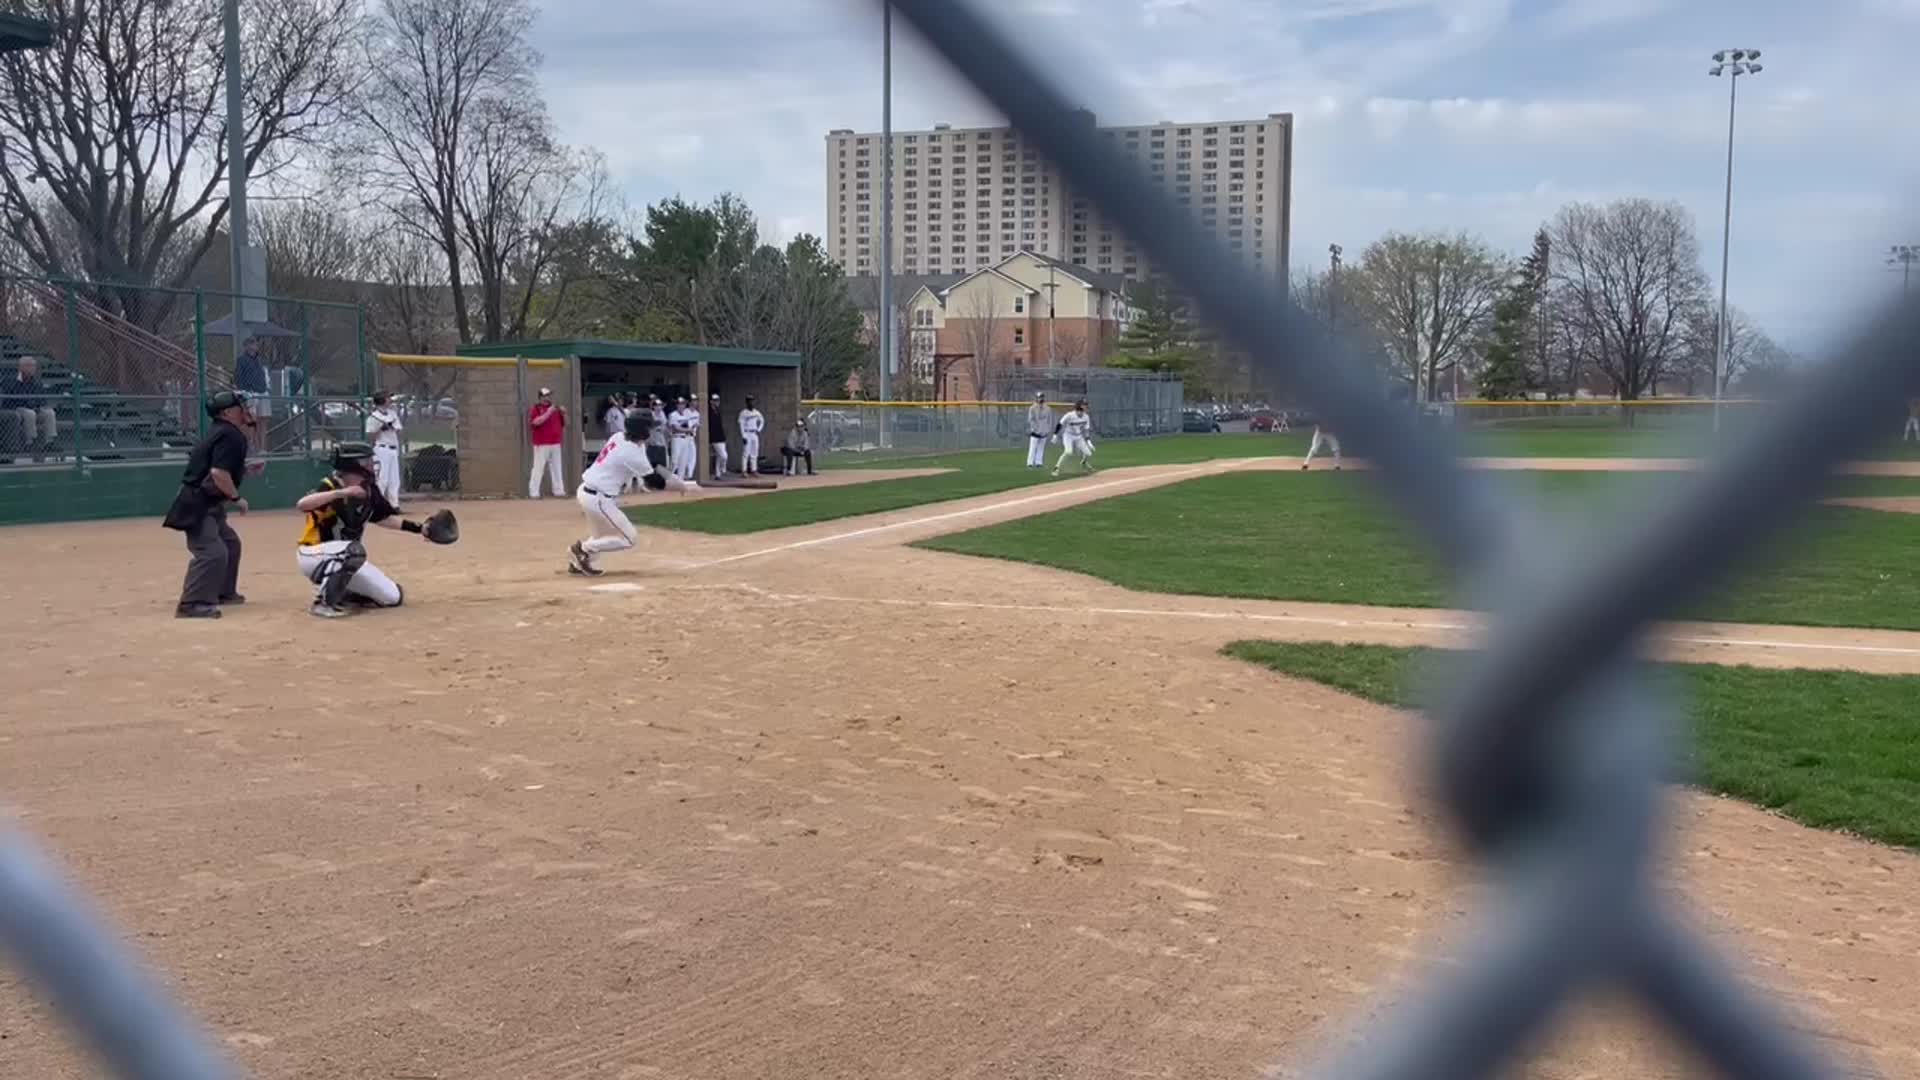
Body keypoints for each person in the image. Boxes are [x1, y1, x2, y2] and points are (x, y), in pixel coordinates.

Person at [295, 442, 439, 618]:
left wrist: (420, 528)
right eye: (367, 461)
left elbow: (384, 518)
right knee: (353, 550)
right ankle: (323, 603)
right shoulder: (331, 485)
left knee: (392, 597)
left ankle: (346, 593)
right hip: (314, 554)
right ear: (354, 464)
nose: (372, 465)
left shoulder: (370, 491)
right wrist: (343, 493)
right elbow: (302, 504)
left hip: (347, 557)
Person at [162, 391, 263, 619]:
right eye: (240, 406)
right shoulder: (230, 435)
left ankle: (222, 592)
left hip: (209, 501)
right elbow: (217, 473)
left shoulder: (224, 432)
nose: (245, 409)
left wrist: (244, 470)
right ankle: (191, 604)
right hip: (198, 503)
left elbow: (216, 467)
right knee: (212, 552)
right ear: (227, 413)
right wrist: (237, 499)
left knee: (230, 544)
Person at [568, 412, 699, 577]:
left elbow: (652, 464)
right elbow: (654, 482)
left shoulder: (620, 437)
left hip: (589, 492)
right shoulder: (630, 453)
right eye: (648, 428)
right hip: (599, 499)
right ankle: (582, 549)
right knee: (629, 539)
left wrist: (676, 480)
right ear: (641, 431)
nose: (651, 431)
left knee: (600, 537)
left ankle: (578, 563)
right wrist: (683, 487)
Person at [1, 356, 58, 456]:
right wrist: (30, 404)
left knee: (49, 413)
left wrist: (38, 406)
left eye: (34, 366)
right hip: (17, 408)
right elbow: (11, 399)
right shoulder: (11, 380)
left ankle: (50, 442)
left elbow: (42, 398)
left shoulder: (36, 381)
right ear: (21, 367)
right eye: (30, 366)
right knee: (29, 413)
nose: (33, 368)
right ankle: (30, 442)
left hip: (34, 407)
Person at [364, 391, 404, 507]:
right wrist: (380, 428)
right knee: (382, 479)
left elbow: (399, 430)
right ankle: (378, 506)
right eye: (387, 398)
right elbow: (370, 436)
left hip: (393, 449)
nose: (389, 399)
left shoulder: (392, 414)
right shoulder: (373, 417)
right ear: (382, 400)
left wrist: (390, 426)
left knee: (394, 480)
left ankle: (394, 505)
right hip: (381, 449)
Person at [527, 387, 567, 497]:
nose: (548, 398)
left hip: (555, 442)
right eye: (545, 396)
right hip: (542, 443)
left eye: (549, 395)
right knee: (538, 468)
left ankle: (559, 491)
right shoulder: (536, 408)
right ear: (540, 397)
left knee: (557, 468)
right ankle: (534, 492)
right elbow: (535, 422)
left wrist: (563, 413)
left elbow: (565, 424)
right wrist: (548, 412)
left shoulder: (556, 409)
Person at [1051, 399, 1095, 476]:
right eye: (1084, 405)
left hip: (1078, 436)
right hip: (1068, 435)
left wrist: (1089, 442)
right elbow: (1060, 424)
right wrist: (1055, 435)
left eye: (1085, 406)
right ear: (1078, 407)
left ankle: (1083, 463)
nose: (1085, 407)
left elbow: (1086, 429)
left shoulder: (1086, 416)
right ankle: (1056, 468)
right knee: (1068, 452)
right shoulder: (1070, 415)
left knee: (1088, 454)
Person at [667, 395, 700, 480]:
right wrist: (688, 429)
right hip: (677, 438)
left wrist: (691, 428)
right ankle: (668, 478)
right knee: (674, 461)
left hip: (686, 439)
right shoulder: (673, 415)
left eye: (683, 404)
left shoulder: (686, 415)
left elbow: (689, 427)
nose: (681, 405)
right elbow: (675, 428)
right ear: (676, 405)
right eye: (679, 404)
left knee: (683, 462)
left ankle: (680, 480)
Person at [737, 395, 766, 475]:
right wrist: (743, 436)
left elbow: (762, 421)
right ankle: (744, 471)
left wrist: (759, 430)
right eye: (749, 401)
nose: (751, 402)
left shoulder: (756, 412)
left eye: (752, 401)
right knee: (746, 452)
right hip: (747, 433)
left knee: (755, 452)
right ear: (746, 402)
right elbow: (741, 425)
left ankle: (754, 470)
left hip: (754, 433)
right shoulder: (743, 413)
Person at [1024, 391, 1052, 468]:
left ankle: (1038, 463)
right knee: (1032, 448)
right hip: (1035, 431)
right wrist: (1035, 428)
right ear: (1036, 398)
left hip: (1044, 431)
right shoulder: (1032, 408)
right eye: (1039, 397)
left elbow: (1049, 420)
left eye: (1042, 397)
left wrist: (1048, 429)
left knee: (1041, 448)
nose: (1041, 399)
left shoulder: (1048, 408)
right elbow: (1030, 419)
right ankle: (1029, 463)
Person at [708, 392, 729, 478]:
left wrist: (724, 436)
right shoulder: (709, 412)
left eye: (718, 400)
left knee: (718, 456)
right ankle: (723, 469)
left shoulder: (718, 411)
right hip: (714, 437)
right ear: (711, 401)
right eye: (715, 400)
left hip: (721, 436)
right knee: (724, 456)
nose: (717, 402)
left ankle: (717, 474)